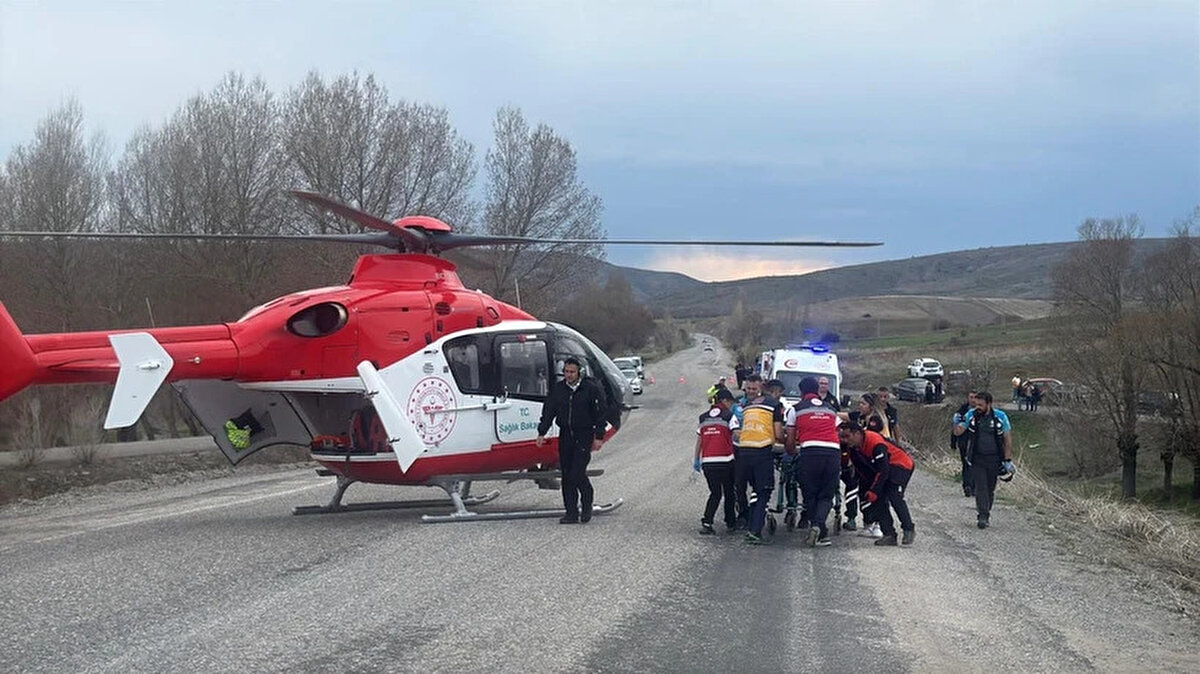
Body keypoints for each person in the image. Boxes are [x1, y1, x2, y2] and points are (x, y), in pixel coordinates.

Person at [536, 357, 607, 524]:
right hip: (566, 434)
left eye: (572, 372)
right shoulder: (558, 390)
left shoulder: (590, 389)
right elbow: (549, 412)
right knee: (567, 475)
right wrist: (541, 432)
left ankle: (587, 503)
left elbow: (600, 413)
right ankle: (571, 512)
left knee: (577, 472)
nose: (568, 375)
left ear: (579, 372)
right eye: (566, 372)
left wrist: (599, 436)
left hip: (584, 434)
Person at [785, 376, 841, 548]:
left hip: (810, 453)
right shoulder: (831, 409)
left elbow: (790, 439)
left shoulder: (796, 409)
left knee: (810, 493)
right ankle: (819, 529)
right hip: (832, 453)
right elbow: (837, 431)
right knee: (826, 494)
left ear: (801, 392)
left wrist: (791, 451)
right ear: (817, 390)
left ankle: (816, 526)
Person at [837, 424, 916, 546]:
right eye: (842, 437)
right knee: (878, 499)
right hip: (884, 467)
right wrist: (871, 489)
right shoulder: (853, 448)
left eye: (847, 436)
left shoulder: (875, 442)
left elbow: (883, 470)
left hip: (901, 464)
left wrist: (874, 490)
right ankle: (889, 534)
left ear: (857, 434)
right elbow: (863, 470)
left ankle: (908, 528)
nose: (845, 440)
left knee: (894, 495)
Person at [734, 377, 785, 544]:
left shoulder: (749, 405)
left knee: (755, 488)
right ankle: (755, 531)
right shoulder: (774, 405)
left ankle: (751, 521)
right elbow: (777, 434)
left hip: (743, 450)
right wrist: (786, 440)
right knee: (764, 490)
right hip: (761, 450)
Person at [953, 391, 1014, 529]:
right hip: (977, 458)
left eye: (981, 404)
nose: (978, 407)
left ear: (989, 404)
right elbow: (958, 432)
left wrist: (1007, 459)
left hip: (995, 459)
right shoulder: (971, 416)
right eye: (976, 404)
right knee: (981, 487)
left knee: (990, 488)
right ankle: (982, 515)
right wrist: (957, 422)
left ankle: (986, 511)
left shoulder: (1000, 417)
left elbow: (1007, 438)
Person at [693, 389, 738, 534]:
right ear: (725, 401)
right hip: (726, 461)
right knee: (729, 492)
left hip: (708, 462)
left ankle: (707, 522)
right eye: (730, 402)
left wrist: (696, 459)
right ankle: (730, 523)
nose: (731, 405)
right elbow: (737, 434)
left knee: (715, 493)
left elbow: (700, 439)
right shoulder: (729, 415)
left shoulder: (703, 417)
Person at [951, 390, 977, 497]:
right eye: (971, 397)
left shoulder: (983, 411)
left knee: (976, 464)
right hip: (964, 441)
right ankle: (967, 486)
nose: (973, 400)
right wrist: (953, 442)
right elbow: (955, 427)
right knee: (966, 463)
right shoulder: (961, 411)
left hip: (978, 442)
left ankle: (975, 486)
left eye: (975, 397)